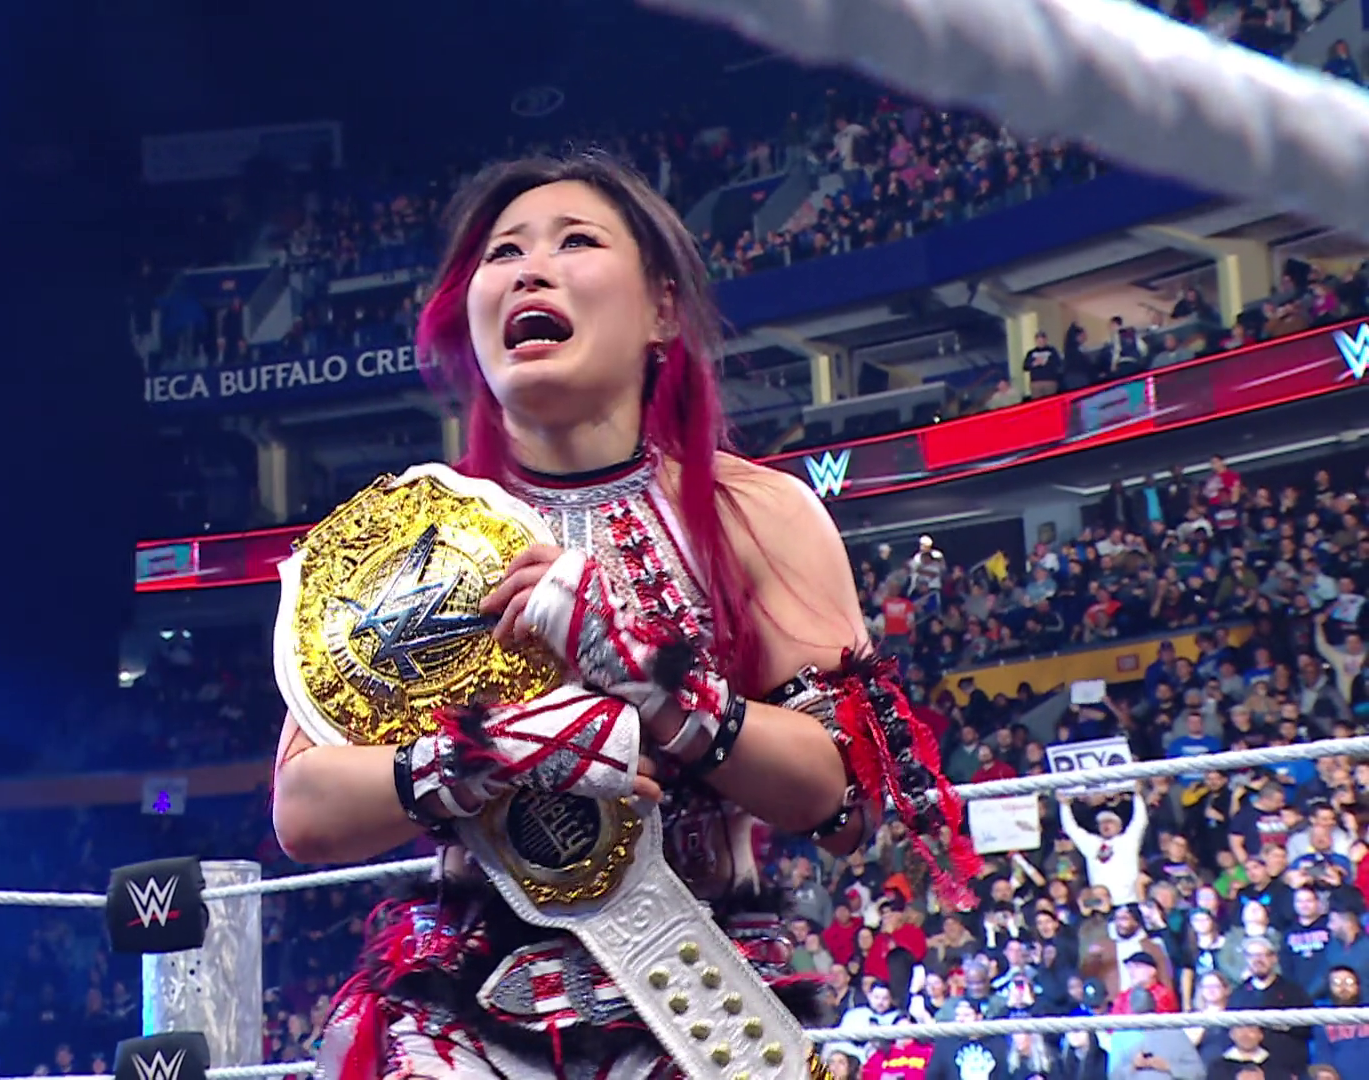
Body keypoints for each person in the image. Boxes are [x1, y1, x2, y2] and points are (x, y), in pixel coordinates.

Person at [271, 152, 975, 1079]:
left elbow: (842, 801)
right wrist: (489, 754)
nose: (530, 270)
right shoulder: (408, 536)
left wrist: (651, 677)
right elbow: (303, 808)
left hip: (700, 1012)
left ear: (662, 311)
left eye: (575, 242)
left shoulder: (756, 515)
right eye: (502, 253)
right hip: (458, 1022)